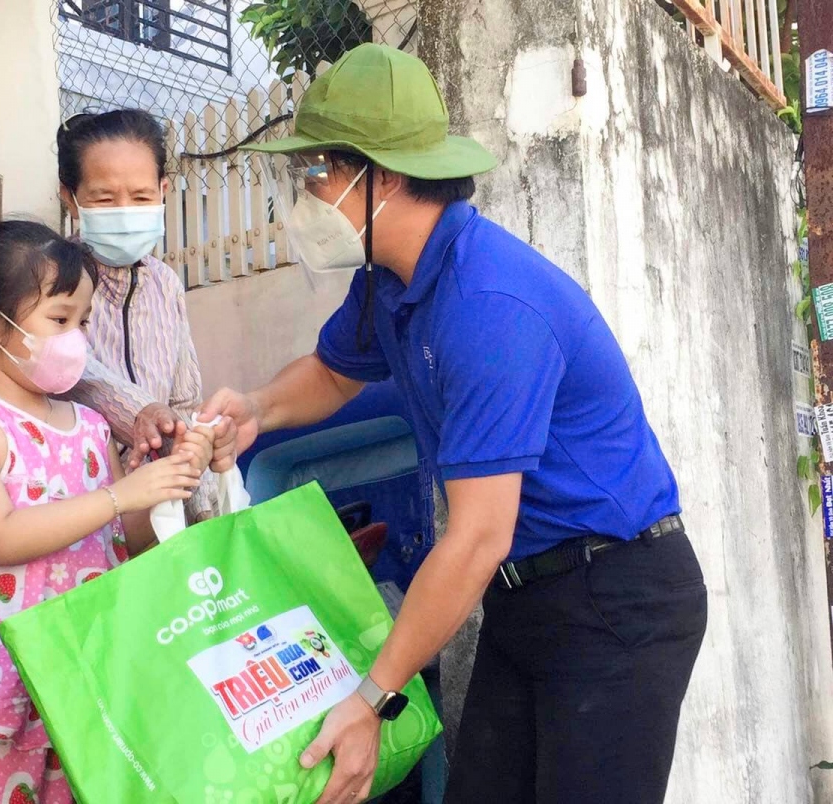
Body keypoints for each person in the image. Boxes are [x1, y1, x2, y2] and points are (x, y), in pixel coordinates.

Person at [204, 43, 707, 804]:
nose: (303, 196)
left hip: (617, 597)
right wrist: (256, 409)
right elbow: (336, 372)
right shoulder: (390, 281)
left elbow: (475, 534)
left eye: (318, 174)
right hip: (525, 594)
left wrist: (369, 698)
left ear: (386, 175)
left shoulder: (489, 307)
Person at [0, 220, 211, 803]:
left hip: (87, 693)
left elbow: (134, 545)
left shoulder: (93, 427)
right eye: (59, 320)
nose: (77, 338)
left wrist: (167, 478)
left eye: (84, 321)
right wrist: (123, 494)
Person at [57, 109, 223, 522]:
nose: (125, 210)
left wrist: (201, 508)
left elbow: (184, 399)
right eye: (104, 198)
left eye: (142, 196)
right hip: (80, 507)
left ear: (164, 190)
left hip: (164, 509)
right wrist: (142, 414)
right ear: (71, 199)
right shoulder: (51, 279)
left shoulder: (166, 284)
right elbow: (72, 373)